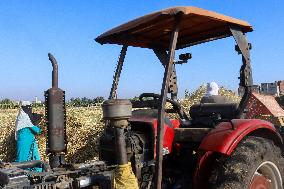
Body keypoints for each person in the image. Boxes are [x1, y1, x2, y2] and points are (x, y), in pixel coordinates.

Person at [15, 101, 42, 171]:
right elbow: (36, 130)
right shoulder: (24, 117)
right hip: (24, 141)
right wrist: (41, 129)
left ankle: (36, 174)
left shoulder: (22, 116)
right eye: (28, 107)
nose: (30, 109)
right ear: (25, 108)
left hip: (30, 141)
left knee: (34, 157)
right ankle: (19, 175)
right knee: (22, 160)